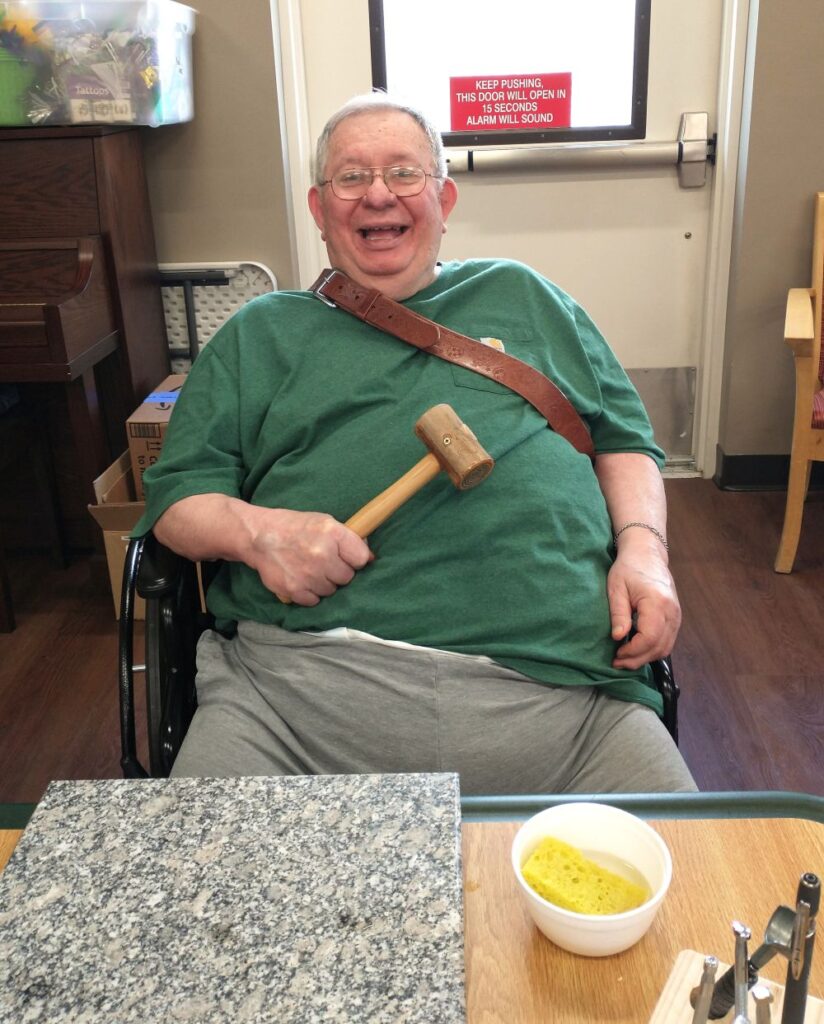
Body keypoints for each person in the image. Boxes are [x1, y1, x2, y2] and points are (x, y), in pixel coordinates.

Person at [134, 91, 696, 794]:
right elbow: (178, 496)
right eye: (351, 177)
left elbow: (623, 439)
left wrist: (646, 552)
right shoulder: (261, 332)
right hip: (291, 708)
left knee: (691, 888)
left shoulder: (528, 299)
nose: (378, 195)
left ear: (444, 198)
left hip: (574, 706)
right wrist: (257, 534)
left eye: (404, 173)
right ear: (318, 207)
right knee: (187, 891)